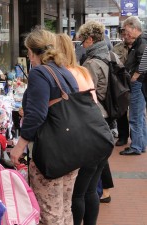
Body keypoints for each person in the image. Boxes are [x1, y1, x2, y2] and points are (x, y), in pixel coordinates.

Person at [10, 27, 79, 225]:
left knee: (49, 213)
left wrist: (20, 145)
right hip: (72, 148)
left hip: (52, 152)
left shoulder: (40, 73)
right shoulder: (64, 71)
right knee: (64, 209)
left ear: (31, 52)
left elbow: (37, 114)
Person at [55, 33, 110, 225]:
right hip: (99, 134)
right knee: (90, 190)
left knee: (77, 193)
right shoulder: (82, 71)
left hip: (83, 139)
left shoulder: (63, 75)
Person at [77, 20, 115, 205]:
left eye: (83, 41)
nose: (82, 45)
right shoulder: (110, 55)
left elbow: (86, 92)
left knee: (96, 161)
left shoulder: (92, 63)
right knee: (101, 157)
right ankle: (103, 191)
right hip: (107, 112)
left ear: (90, 39)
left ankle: (99, 192)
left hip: (96, 114)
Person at [119, 16, 147, 155]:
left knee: (135, 116)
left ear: (134, 28)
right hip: (140, 83)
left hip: (139, 83)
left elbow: (144, 60)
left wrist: (136, 76)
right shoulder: (140, 42)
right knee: (139, 115)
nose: (125, 33)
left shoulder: (142, 43)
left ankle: (136, 146)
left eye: (127, 30)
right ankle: (141, 144)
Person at [112, 28, 135, 146]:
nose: (126, 36)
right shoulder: (117, 48)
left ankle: (136, 138)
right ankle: (123, 136)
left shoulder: (140, 46)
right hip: (122, 83)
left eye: (128, 34)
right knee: (122, 110)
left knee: (137, 112)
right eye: (124, 34)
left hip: (136, 82)